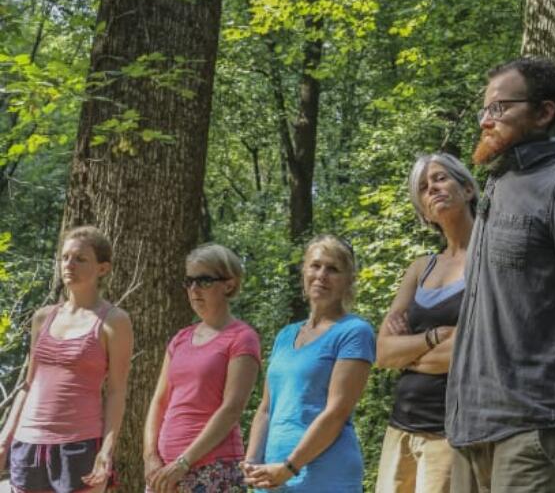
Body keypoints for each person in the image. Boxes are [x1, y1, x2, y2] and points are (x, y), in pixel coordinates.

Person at [445, 56, 555, 493]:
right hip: (468, 432)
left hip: (537, 429)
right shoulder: (494, 189)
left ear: (544, 113)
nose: (487, 121)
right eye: (484, 110)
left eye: (500, 108)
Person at [0, 226, 133, 493]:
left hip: (80, 443)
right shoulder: (43, 317)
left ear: (103, 269)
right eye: (64, 257)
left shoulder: (114, 321)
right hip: (28, 443)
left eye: (80, 259)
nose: (68, 264)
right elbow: (28, 384)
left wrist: (106, 451)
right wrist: (5, 438)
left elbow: (117, 392)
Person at [374, 153, 478, 493]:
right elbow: (384, 353)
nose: (432, 188)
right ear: (422, 209)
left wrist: (410, 351)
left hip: (449, 431)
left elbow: (473, 349)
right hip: (400, 427)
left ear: (467, 188)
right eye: (423, 187)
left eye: (440, 178)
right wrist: (434, 336)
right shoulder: (421, 268)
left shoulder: (489, 259)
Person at [243, 235, 375, 492]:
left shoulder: (354, 332)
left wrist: (289, 467)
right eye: (315, 266)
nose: (322, 275)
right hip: (271, 477)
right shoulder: (285, 335)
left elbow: (336, 412)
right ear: (304, 271)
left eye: (333, 269)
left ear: (349, 280)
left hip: (324, 476)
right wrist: (251, 461)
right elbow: (267, 408)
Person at [142, 243, 261, 493]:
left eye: (204, 281)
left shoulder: (242, 338)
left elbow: (232, 409)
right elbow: (159, 401)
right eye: (190, 281)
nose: (194, 289)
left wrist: (184, 462)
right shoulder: (180, 339)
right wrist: (150, 456)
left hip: (212, 468)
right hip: (163, 473)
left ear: (228, 284)